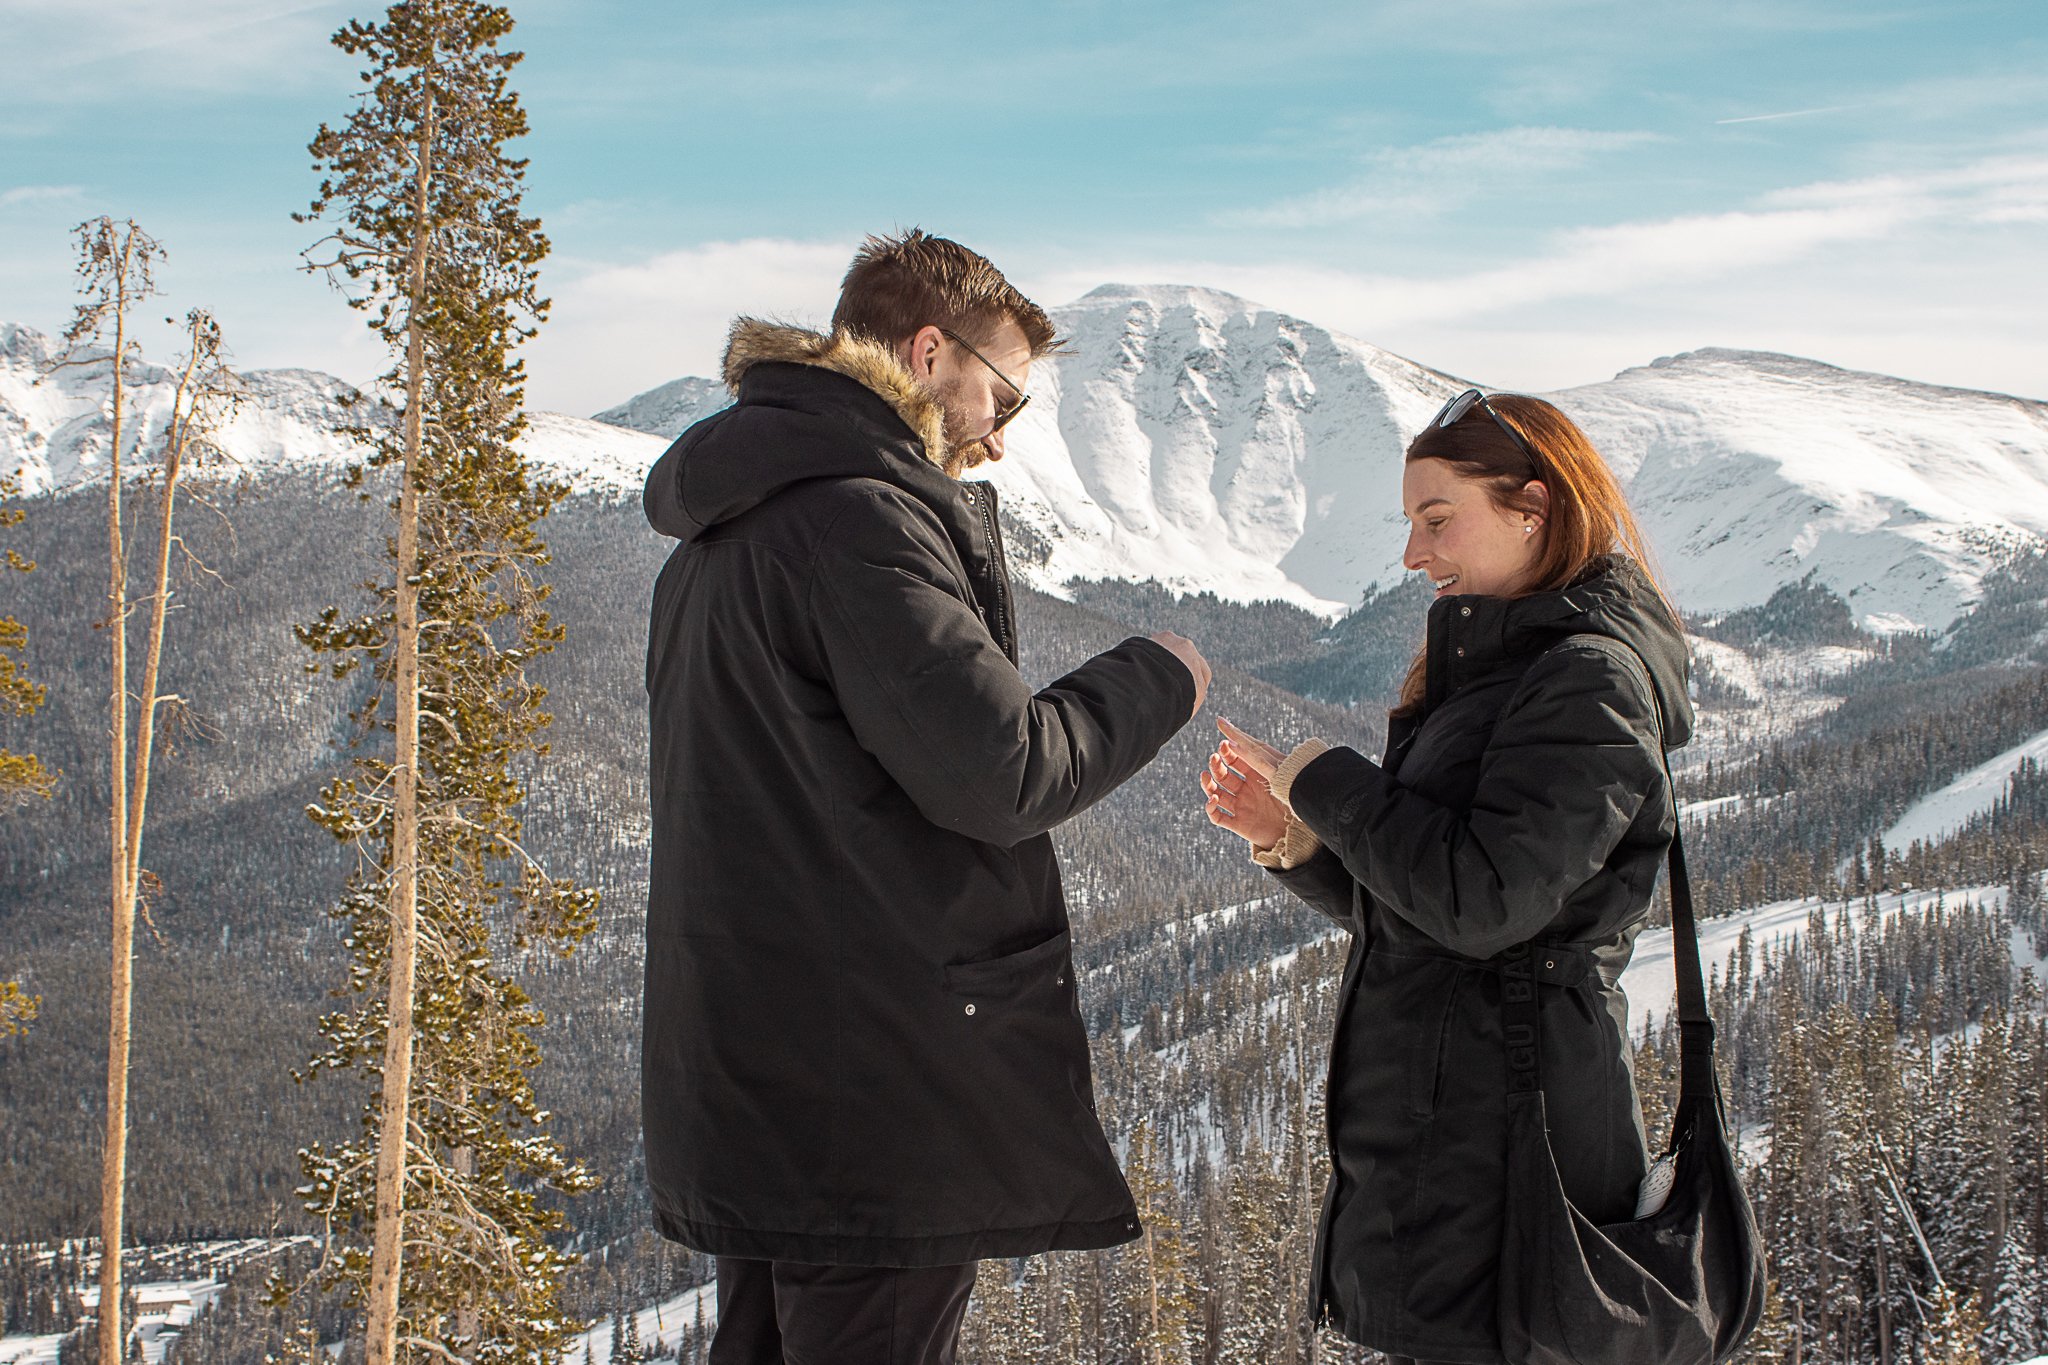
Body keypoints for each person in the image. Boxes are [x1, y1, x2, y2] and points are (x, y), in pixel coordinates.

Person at [641, 228, 1211, 1365]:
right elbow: (1001, 773)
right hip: (872, 1089)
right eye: (1000, 397)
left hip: (759, 1061)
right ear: (926, 350)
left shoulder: (726, 526)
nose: (998, 439)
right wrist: (1161, 677)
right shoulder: (858, 518)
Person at [1199, 389, 1692, 1365]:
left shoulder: (1588, 680)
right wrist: (1296, 839)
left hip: (1517, 1146)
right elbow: (1422, 905)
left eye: (1435, 520)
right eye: (1409, 525)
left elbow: (1480, 903)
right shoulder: (1491, 676)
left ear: (1533, 508)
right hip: (1452, 1139)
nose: (1413, 555)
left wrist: (1320, 777)